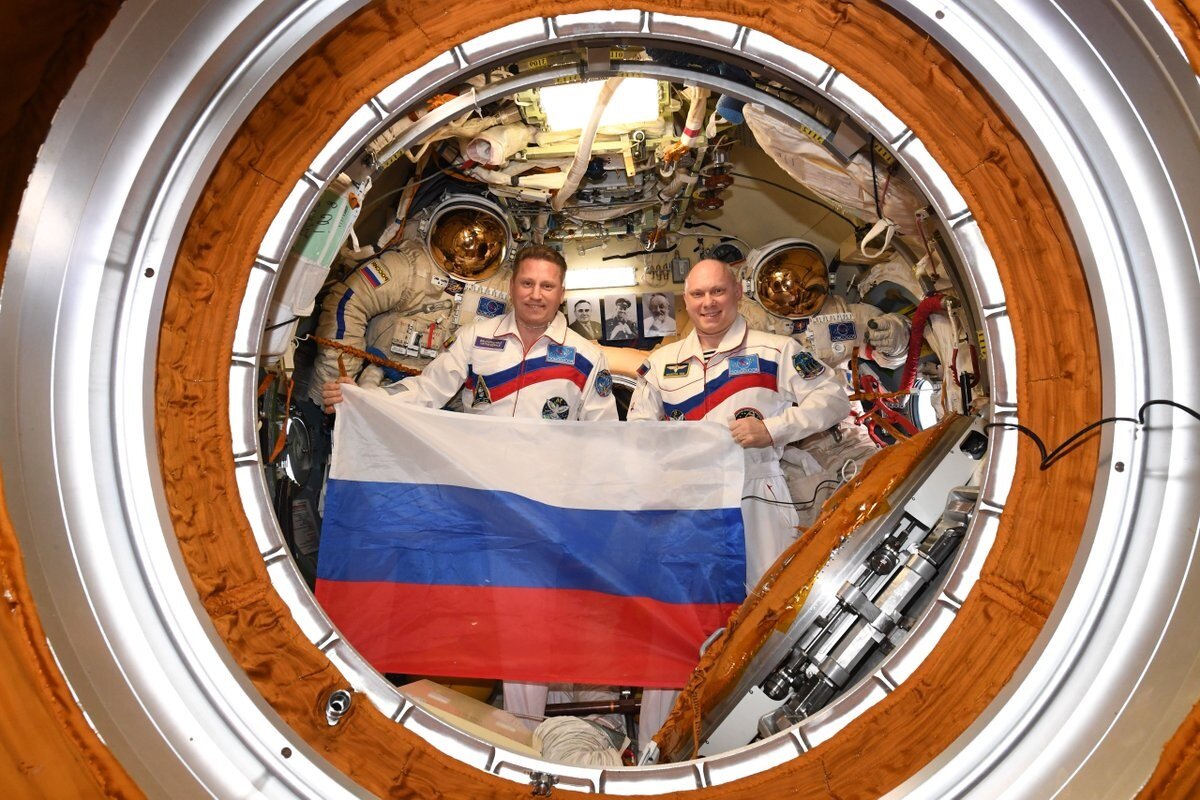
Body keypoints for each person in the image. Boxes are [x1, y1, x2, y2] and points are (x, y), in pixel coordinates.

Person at [323, 244, 619, 726]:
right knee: (458, 613)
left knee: (527, 622)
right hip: (474, 507)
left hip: (541, 514)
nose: (536, 294)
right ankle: (446, 726)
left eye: (547, 286)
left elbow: (605, 440)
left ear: (562, 293)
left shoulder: (586, 357)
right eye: (527, 283)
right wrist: (365, 399)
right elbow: (426, 392)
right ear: (512, 286)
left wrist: (589, 516)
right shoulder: (476, 338)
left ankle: (524, 733)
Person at [627, 258, 850, 744]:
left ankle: (767, 742)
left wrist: (774, 428)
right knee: (673, 621)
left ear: (737, 294)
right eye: (697, 294)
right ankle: (656, 747)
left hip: (757, 495)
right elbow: (639, 431)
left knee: (768, 616)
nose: (708, 303)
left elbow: (833, 398)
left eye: (718, 292)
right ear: (685, 301)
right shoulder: (662, 363)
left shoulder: (776, 350)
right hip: (686, 507)